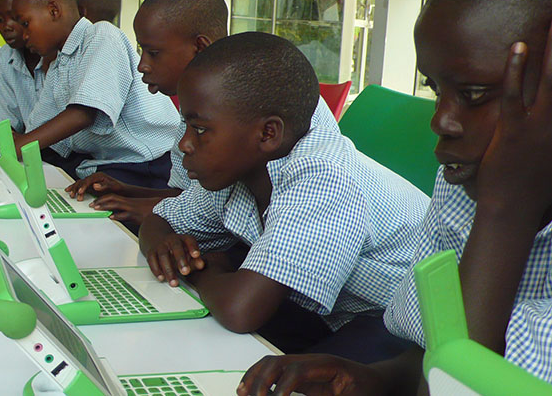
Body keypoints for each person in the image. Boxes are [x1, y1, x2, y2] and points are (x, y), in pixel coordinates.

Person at [237, 0, 552, 395]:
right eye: (435, 88)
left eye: (473, 93)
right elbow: (432, 362)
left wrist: (503, 214)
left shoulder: (491, 194)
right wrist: (363, 379)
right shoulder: (462, 182)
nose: (441, 120)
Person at [140, 32, 429, 361]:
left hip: (401, 327)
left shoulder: (323, 177)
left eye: (201, 130)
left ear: (267, 134)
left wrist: (197, 270)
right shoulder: (236, 173)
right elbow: (159, 221)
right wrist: (165, 248)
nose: (184, 144)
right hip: (333, 314)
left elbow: (240, 310)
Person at [0, 0, 181, 189]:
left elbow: (83, 113)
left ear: (53, 11)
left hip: (147, 163)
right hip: (108, 163)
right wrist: (8, 143)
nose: (24, 34)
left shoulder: (102, 35)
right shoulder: (60, 62)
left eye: (26, 23)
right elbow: (38, 130)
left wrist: (14, 146)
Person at [65, 0, 228, 225]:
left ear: (200, 48)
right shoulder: (189, 108)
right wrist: (124, 190)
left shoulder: (235, 110)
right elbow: (185, 197)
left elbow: (219, 216)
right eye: (141, 51)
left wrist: (141, 207)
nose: (142, 65)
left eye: (153, 53)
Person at [0, 0, 55, 133]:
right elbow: (2, 122)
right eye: (0, 20)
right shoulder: (5, 57)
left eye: (15, 18)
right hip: (32, 149)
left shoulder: (59, 55)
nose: (6, 27)